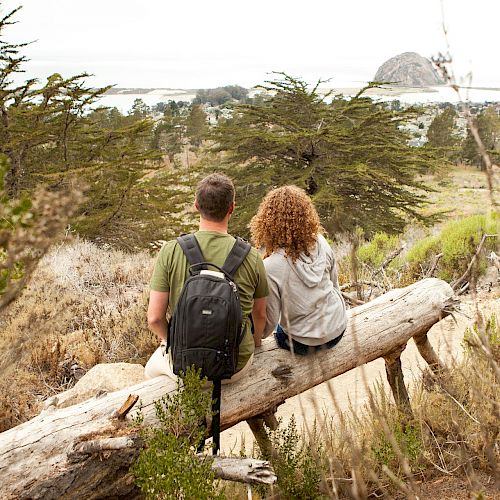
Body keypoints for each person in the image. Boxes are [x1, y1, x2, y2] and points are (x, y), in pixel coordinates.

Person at [145, 173, 268, 381]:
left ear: (196, 205)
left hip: (186, 364)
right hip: (236, 366)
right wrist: (255, 343)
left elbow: (154, 318)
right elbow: (260, 315)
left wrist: (172, 342)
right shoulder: (252, 256)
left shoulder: (170, 250)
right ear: (232, 207)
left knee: (149, 371)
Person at [250, 185, 347, 355]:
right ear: (306, 216)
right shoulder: (320, 242)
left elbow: (270, 320)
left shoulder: (271, 266)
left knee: (280, 332)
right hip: (338, 328)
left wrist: (258, 336)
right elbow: (334, 285)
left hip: (304, 342)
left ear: (267, 223)